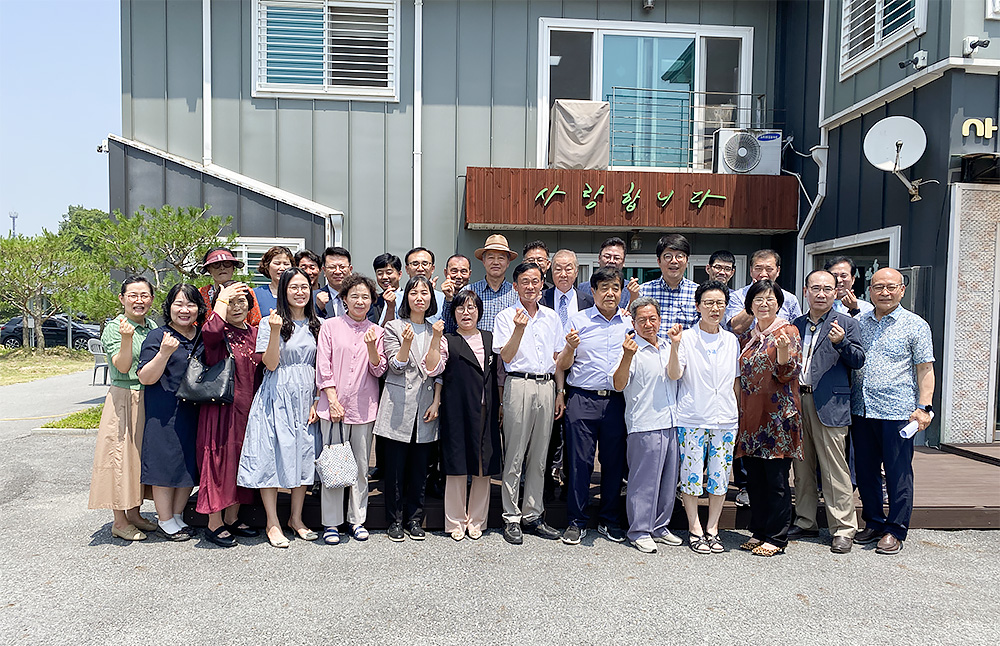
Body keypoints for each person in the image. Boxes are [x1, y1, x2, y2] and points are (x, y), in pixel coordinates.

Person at [851, 267, 934, 555]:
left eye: (891, 287)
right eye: (878, 287)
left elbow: (925, 369)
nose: (884, 292)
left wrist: (924, 407)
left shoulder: (915, 325)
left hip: (897, 411)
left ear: (902, 290)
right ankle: (873, 521)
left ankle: (896, 529)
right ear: (869, 291)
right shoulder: (859, 322)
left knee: (898, 472)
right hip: (861, 409)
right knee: (865, 471)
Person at [239, 268, 322, 549]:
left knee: (305, 453)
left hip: (307, 394)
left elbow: (322, 367)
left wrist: (316, 400)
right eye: (293, 287)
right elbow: (270, 363)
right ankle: (272, 521)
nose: (300, 292)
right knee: (271, 454)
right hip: (277, 393)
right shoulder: (269, 322)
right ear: (284, 291)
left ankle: (296, 518)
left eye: (304, 287)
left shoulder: (317, 324)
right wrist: (275, 331)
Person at [789, 270, 865, 554]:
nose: (821, 294)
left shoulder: (846, 323)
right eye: (815, 288)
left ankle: (843, 528)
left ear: (836, 292)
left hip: (830, 405)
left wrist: (841, 342)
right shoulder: (795, 324)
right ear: (806, 291)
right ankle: (806, 519)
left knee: (835, 468)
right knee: (802, 466)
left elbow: (858, 360)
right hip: (798, 401)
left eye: (827, 289)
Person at [555, 266, 631, 545]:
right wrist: (570, 348)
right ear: (594, 292)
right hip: (582, 398)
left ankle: (610, 521)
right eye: (604, 288)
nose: (610, 293)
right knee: (579, 463)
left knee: (613, 463)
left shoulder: (628, 322)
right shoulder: (578, 320)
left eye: (615, 288)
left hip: (617, 402)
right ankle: (576, 521)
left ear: (621, 292)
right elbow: (561, 364)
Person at [493, 262, 565, 545]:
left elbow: (558, 358)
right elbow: (507, 357)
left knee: (539, 454)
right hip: (519, 384)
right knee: (515, 453)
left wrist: (560, 391)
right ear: (515, 286)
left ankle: (533, 514)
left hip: (547, 385)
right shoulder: (505, 317)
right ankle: (511, 516)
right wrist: (519, 330)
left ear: (541, 284)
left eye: (536, 281)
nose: (531, 286)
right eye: (525, 281)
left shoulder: (552, 317)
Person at [666, 281, 740, 554]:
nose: (714, 308)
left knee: (720, 477)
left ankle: (713, 528)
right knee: (692, 476)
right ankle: (694, 527)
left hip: (725, 420)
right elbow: (674, 374)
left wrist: (739, 414)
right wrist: (674, 346)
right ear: (697, 306)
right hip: (693, 417)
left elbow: (736, 382)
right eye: (708, 303)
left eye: (719, 303)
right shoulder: (686, 338)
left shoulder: (731, 340)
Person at [315, 273, 387, 544]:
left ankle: (357, 520)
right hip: (333, 406)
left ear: (372, 301)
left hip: (364, 408)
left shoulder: (377, 331)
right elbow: (323, 366)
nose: (360, 301)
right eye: (354, 296)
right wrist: (332, 399)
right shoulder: (330, 326)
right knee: (333, 465)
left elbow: (379, 369)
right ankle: (331, 523)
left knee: (359, 467)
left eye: (365, 297)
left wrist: (371, 348)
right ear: (344, 299)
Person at [424, 291, 501, 541]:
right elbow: (433, 368)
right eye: (460, 308)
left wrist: (499, 404)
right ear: (453, 313)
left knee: (482, 465)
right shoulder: (448, 339)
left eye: (471, 308)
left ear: (479, 311)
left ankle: (477, 520)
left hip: (485, 409)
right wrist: (435, 338)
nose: (466, 313)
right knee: (456, 465)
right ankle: (455, 521)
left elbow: (499, 375)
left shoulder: (490, 339)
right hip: (456, 408)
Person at [735, 279, 803, 557]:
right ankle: (759, 530)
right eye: (758, 299)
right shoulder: (749, 337)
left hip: (778, 418)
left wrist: (784, 350)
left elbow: (788, 373)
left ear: (779, 303)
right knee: (755, 480)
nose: (764, 304)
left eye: (770, 299)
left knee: (775, 480)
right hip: (752, 417)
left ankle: (776, 537)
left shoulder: (787, 331)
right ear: (750, 305)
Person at [374, 276, 444, 541]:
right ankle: (394, 520)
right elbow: (394, 365)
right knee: (394, 468)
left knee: (419, 468)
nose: (419, 297)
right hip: (398, 405)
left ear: (431, 298)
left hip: (426, 406)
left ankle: (415, 519)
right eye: (414, 292)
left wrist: (437, 401)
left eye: (425, 292)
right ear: (406, 298)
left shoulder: (435, 329)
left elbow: (437, 371)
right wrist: (405, 343)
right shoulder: (393, 327)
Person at [88, 276, 158, 541]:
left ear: (151, 299)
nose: (139, 300)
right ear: (122, 298)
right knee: (119, 457)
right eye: (133, 295)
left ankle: (135, 513)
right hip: (124, 397)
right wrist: (126, 338)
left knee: (138, 458)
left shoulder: (151, 325)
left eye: (144, 295)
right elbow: (122, 366)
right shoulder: (114, 328)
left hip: (147, 397)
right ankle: (119, 520)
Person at [611, 297, 682, 553]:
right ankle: (639, 530)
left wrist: (674, 346)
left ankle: (660, 527)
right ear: (633, 321)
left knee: (667, 480)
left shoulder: (667, 345)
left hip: (671, 422)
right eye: (642, 319)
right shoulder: (630, 348)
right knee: (643, 482)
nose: (648, 324)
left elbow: (676, 375)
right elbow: (618, 385)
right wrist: (627, 357)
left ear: (660, 320)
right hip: (644, 424)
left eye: (653, 318)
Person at [137, 284, 206, 542]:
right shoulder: (158, 336)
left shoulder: (201, 335)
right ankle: (164, 518)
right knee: (164, 465)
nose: (185, 310)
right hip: (165, 411)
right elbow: (145, 377)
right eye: (179, 304)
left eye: (191, 304)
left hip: (196, 408)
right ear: (169, 308)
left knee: (188, 463)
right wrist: (165, 353)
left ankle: (177, 515)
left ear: (199, 308)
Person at [195, 282, 262, 548]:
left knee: (241, 460)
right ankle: (214, 523)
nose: (236, 307)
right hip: (221, 408)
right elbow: (209, 331)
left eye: (241, 302)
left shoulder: (256, 333)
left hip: (250, 408)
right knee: (218, 461)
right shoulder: (217, 331)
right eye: (230, 303)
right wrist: (220, 300)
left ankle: (233, 517)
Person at [540, 249, 595, 500]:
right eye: (558, 268)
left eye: (568, 268)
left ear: (577, 271)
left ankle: (571, 482)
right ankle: (545, 484)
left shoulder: (588, 301)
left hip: (580, 373)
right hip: (547, 371)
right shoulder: (542, 297)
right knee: (548, 430)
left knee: (575, 432)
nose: (563, 273)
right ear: (551, 270)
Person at [725, 249, 802, 335]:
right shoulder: (737, 296)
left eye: (769, 269)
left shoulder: (790, 299)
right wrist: (753, 297)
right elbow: (737, 328)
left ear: (778, 271)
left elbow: (797, 331)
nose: (763, 274)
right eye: (758, 269)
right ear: (751, 270)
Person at [639, 234, 699, 338]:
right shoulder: (644, 291)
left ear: (687, 261)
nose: (674, 261)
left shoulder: (698, 292)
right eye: (668, 256)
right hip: (652, 352)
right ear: (659, 261)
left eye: (679, 256)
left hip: (685, 353)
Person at [199, 247, 261, 327]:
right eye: (216, 264)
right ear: (209, 269)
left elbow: (256, 323)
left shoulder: (245, 290)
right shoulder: (201, 293)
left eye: (227, 263)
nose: (222, 268)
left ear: (233, 268)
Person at [469, 234, 519, 332]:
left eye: (501, 258)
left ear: (508, 262)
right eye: (491, 257)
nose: (496, 262)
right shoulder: (469, 291)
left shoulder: (517, 293)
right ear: (483, 261)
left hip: (508, 346)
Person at [578, 236, 638, 308]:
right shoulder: (583, 288)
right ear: (599, 258)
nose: (611, 261)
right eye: (607, 256)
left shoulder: (631, 290)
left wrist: (633, 297)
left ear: (623, 262)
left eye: (616, 258)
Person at [395, 248, 446, 324]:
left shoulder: (443, 298)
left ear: (432, 269)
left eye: (425, 264)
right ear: (407, 269)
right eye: (415, 264)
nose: (420, 268)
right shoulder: (396, 298)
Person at [253, 246, 294, 315]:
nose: (282, 268)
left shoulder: (299, 293)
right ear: (267, 266)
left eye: (286, 264)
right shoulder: (256, 294)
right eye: (277, 263)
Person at [316, 246, 353, 318]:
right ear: (324, 271)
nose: (337, 272)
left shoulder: (361, 298)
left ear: (350, 269)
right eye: (332, 267)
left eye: (342, 267)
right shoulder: (313, 298)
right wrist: (319, 308)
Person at [440, 253, 472, 334]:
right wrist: (449, 299)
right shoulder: (438, 298)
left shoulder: (475, 297)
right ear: (446, 272)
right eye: (454, 271)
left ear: (469, 274)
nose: (458, 276)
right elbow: (448, 330)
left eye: (463, 271)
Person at [368, 252, 402, 325]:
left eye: (389, 273)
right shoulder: (373, 302)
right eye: (380, 273)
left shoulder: (408, 298)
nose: (384, 277)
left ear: (399, 274)